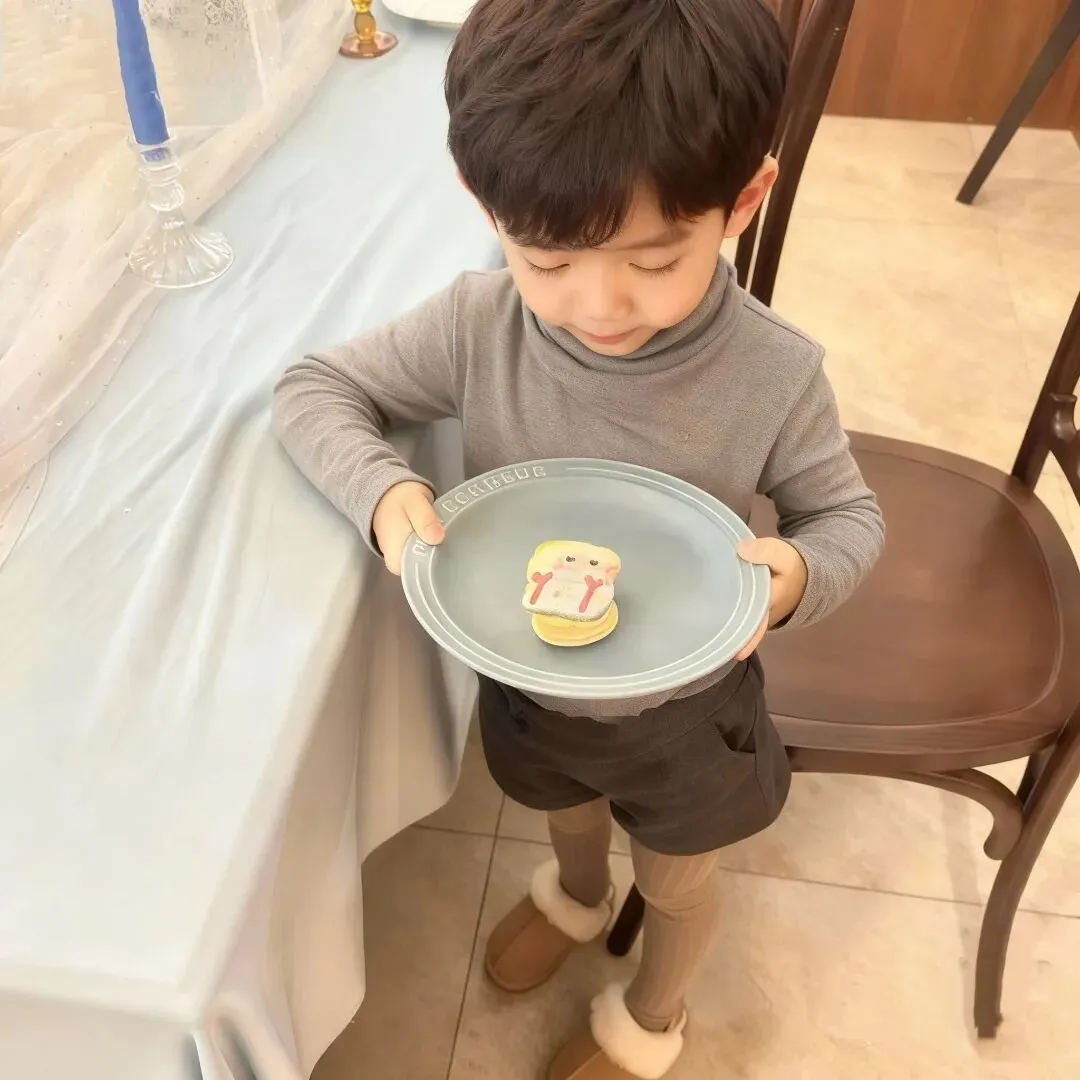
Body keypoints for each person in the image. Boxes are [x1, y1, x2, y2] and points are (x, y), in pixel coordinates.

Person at [273, 0, 885, 1076]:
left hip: (688, 714)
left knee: (679, 881)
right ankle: (575, 894)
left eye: (654, 260)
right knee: (560, 807)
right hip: (532, 686)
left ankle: (652, 1019)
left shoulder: (774, 374)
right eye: (548, 260)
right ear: (486, 208)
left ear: (743, 202)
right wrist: (381, 490)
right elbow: (316, 388)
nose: (599, 304)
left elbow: (849, 519)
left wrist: (797, 577)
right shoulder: (478, 325)